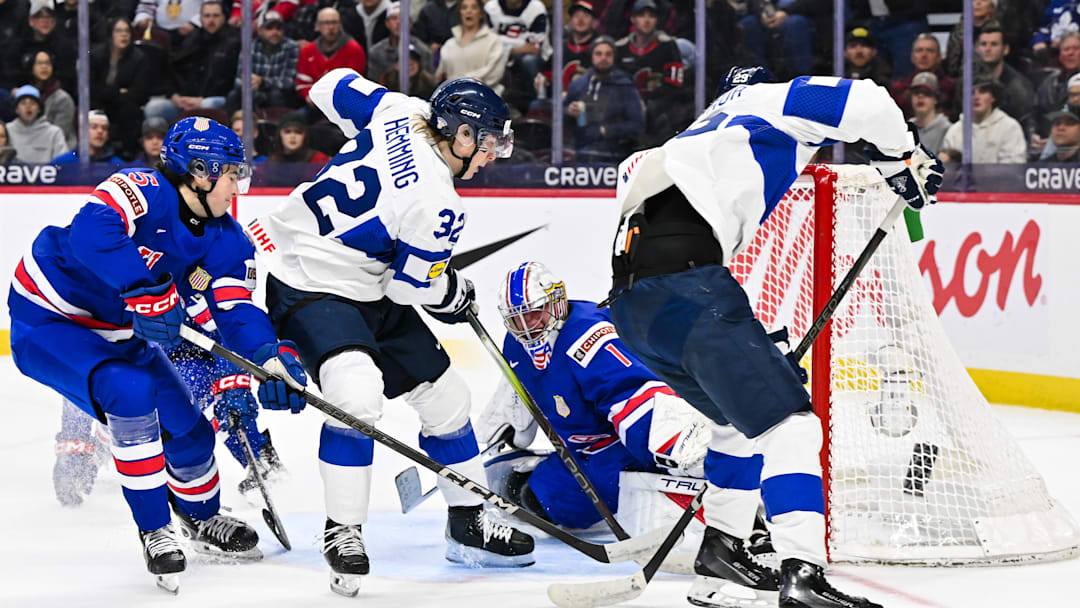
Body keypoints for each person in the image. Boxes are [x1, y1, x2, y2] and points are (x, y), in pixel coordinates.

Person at [603, 66, 943, 608]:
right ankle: (803, 574)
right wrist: (902, 156)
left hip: (635, 305)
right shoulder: (768, 98)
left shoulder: (699, 134)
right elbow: (871, 99)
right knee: (793, 427)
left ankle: (721, 558)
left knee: (735, 426)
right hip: (686, 284)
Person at [248, 68, 532, 597]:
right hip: (313, 284)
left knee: (449, 400)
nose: (492, 155)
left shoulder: (403, 111)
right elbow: (412, 290)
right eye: (488, 142)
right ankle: (344, 532)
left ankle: (467, 523)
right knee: (356, 397)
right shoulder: (438, 203)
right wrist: (452, 293)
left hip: (367, 284)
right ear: (462, 136)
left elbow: (327, 86)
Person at [6, 116, 308, 592]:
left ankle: (202, 518)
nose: (237, 185)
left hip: (118, 332)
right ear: (200, 171)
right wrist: (145, 288)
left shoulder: (228, 239)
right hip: (50, 314)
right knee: (131, 392)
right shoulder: (141, 186)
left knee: (190, 433)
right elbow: (92, 231)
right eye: (231, 173)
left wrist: (269, 358)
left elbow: (237, 310)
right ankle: (155, 530)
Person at [476, 261, 716, 530]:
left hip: (628, 451)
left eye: (532, 315)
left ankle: (718, 479)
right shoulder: (515, 343)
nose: (526, 327)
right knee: (537, 499)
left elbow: (633, 395)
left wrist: (677, 444)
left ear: (555, 303)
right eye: (516, 320)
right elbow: (528, 379)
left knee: (650, 496)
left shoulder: (588, 338)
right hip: (582, 455)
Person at [53, 294, 288, 507]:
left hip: (193, 356)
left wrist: (232, 385)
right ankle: (98, 446)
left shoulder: (191, 267)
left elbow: (226, 330)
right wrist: (74, 447)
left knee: (200, 404)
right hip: (136, 356)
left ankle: (258, 457)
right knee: (100, 380)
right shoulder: (110, 278)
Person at [615, 0, 691, 147]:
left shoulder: (668, 46)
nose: (647, 20)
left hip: (661, 111)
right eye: (642, 15)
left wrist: (649, 101)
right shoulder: (621, 47)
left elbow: (675, 83)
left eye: (651, 16)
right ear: (633, 19)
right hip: (626, 110)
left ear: (656, 20)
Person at [563, 36, 644, 162]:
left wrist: (607, 131)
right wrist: (568, 111)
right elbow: (559, 118)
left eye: (608, 54)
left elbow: (637, 125)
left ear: (614, 57)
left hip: (614, 152)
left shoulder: (624, 86)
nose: (603, 58)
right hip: (578, 149)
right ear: (592, 56)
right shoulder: (579, 85)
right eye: (598, 54)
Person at [90, 17, 154, 156]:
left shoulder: (139, 58)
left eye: (127, 31)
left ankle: (127, 154)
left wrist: (111, 93)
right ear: (111, 34)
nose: (123, 35)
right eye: (119, 31)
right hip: (98, 103)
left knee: (130, 110)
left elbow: (140, 93)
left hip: (124, 106)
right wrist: (119, 91)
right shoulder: (96, 55)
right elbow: (91, 88)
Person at [226, 10, 301, 114]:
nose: (275, 32)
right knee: (233, 96)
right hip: (254, 92)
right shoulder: (249, 47)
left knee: (276, 95)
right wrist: (250, 83)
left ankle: (277, 128)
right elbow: (239, 80)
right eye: (269, 28)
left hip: (281, 95)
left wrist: (263, 82)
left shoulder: (291, 47)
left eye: (278, 28)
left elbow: (288, 82)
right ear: (260, 30)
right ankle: (233, 127)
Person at [941, 79, 1027, 163]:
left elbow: (1013, 168)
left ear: (993, 97)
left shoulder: (1010, 127)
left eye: (982, 92)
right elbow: (948, 170)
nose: (976, 97)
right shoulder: (954, 131)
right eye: (971, 93)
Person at [436, 0, 507, 96]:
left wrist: (464, 81)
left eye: (474, 8)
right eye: (464, 8)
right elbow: (440, 75)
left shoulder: (493, 41)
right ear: (460, 13)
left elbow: (494, 74)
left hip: (485, 97)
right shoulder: (449, 44)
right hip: (452, 98)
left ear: (481, 14)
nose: (468, 11)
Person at [296, 7, 367, 101]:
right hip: (315, 103)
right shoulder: (308, 51)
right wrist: (310, 97)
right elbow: (303, 83)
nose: (331, 27)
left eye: (334, 22)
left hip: (344, 106)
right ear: (317, 26)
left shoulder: (354, 49)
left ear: (340, 25)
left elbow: (354, 85)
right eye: (326, 23)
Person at [891, 33, 955, 119]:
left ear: (939, 57)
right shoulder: (898, 88)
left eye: (930, 51)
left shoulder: (952, 88)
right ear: (912, 57)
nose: (924, 55)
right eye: (919, 50)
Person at [366, 3, 434, 84]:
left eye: (403, 18)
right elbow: (373, 84)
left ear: (411, 23)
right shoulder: (376, 52)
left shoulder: (423, 51)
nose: (399, 22)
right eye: (394, 18)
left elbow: (429, 84)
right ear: (387, 23)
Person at [25, 50, 75, 151]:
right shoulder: (25, 96)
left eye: (47, 63)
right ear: (31, 67)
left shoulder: (63, 99)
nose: (44, 67)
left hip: (58, 150)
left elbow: (60, 134)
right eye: (39, 63)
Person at [4, 85, 68, 163]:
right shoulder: (6, 130)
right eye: (23, 103)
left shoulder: (54, 132)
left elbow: (63, 164)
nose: (28, 107)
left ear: (39, 109)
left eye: (33, 103)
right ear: (16, 109)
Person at [52, 110, 126, 165]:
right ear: (81, 131)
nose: (100, 131)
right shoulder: (62, 163)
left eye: (104, 128)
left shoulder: (117, 165)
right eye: (94, 127)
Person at [907, 72, 952, 155]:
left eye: (926, 93)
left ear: (936, 99)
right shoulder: (906, 129)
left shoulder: (947, 130)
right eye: (916, 92)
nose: (920, 96)